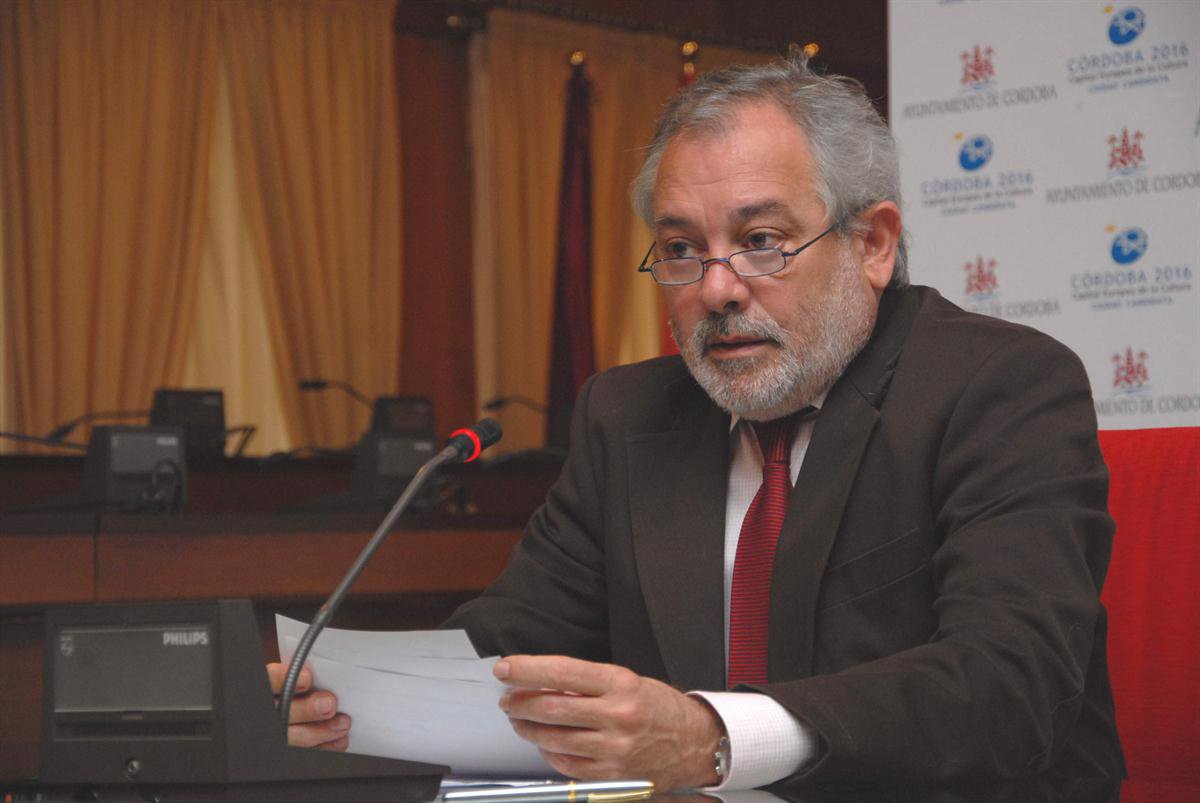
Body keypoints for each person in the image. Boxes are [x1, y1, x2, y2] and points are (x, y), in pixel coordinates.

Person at [271, 54, 1124, 792]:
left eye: (762, 239)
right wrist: (349, 704)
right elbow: (510, 646)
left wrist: (715, 737)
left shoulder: (1000, 386)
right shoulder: (627, 416)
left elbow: (1011, 680)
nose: (717, 288)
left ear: (873, 244)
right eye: (682, 249)